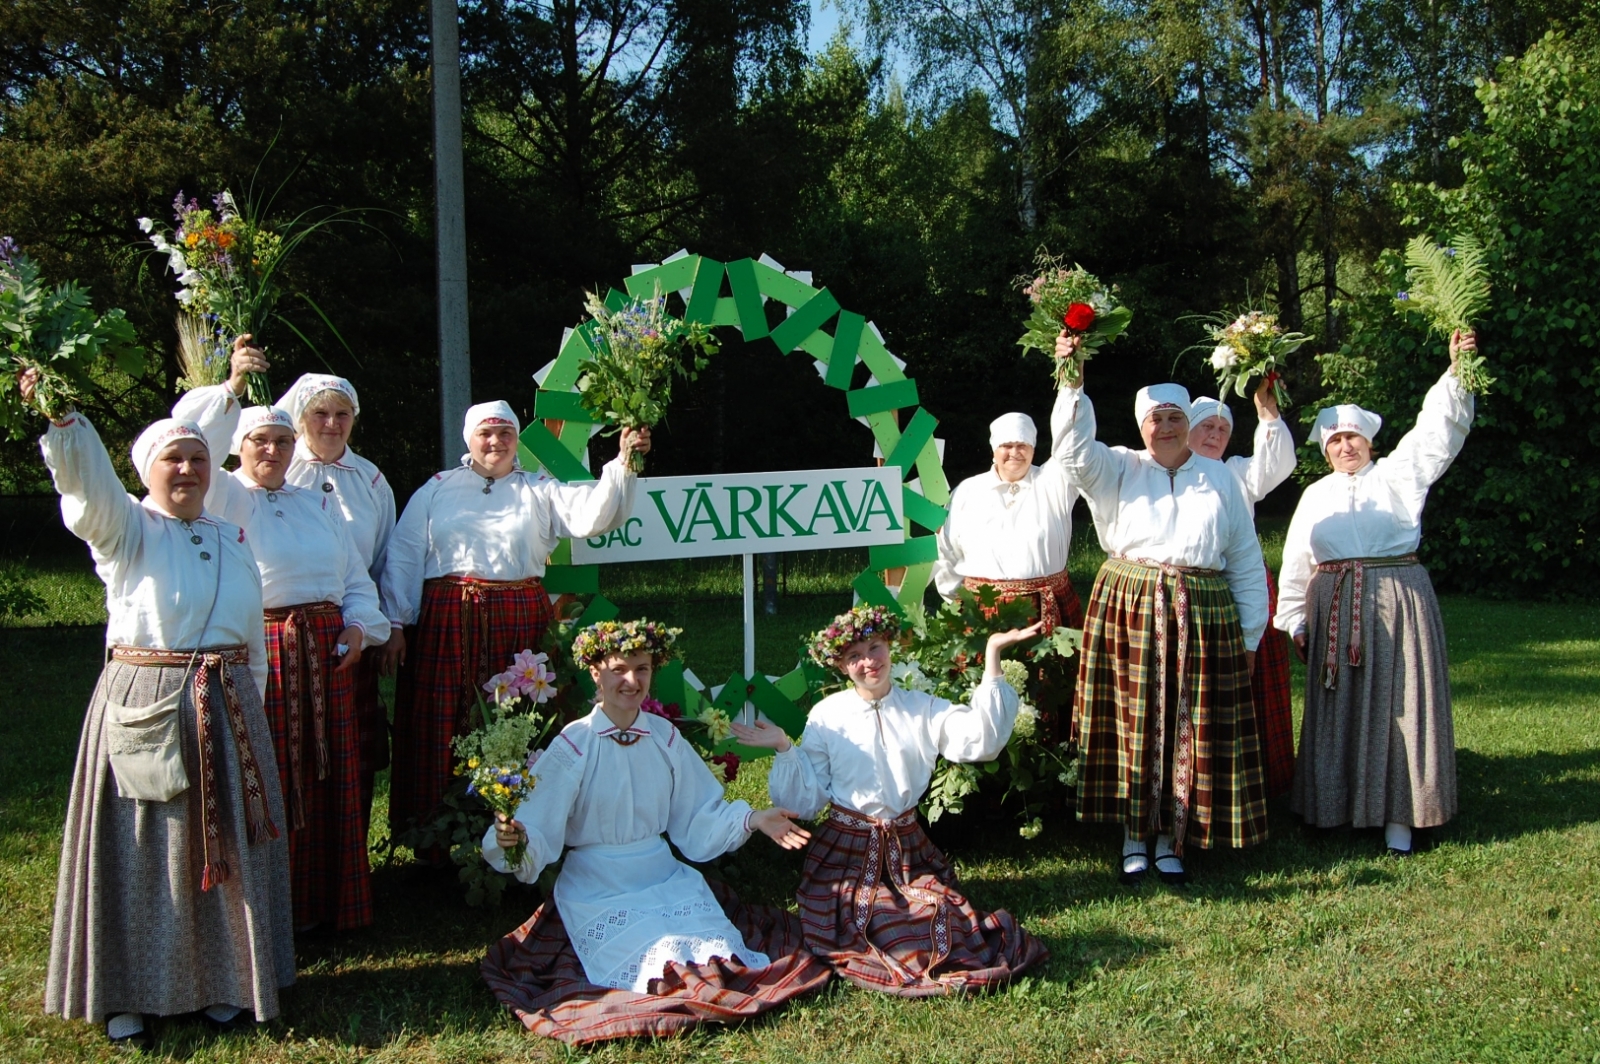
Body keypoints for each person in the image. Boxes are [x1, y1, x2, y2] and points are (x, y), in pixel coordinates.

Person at [32, 372, 293, 1048]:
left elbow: (248, 630)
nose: (187, 469)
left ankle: (224, 983)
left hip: (229, 703)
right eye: (172, 460)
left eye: (198, 458)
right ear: (148, 472)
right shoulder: (126, 528)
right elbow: (85, 493)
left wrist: (252, 709)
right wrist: (65, 425)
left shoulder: (232, 537)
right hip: (150, 704)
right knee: (144, 851)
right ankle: (127, 994)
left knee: (225, 846)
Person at [479, 619, 831, 1044]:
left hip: (659, 871)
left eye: (642, 669)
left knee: (708, 949)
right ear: (595, 672)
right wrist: (515, 839)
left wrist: (752, 818)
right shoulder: (574, 744)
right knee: (651, 953)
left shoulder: (664, 736)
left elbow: (697, 811)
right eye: (619, 669)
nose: (631, 680)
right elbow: (539, 820)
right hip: (597, 882)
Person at [174, 342, 391, 932]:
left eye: (281, 443)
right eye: (259, 443)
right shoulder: (223, 494)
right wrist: (231, 390)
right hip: (263, 648)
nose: (272, 451)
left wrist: (359, 627)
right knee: (271, 775)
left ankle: (333, 905)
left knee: (333, 775)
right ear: (239, 449)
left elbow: (353, 575)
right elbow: (192, 440)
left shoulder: (315, 503)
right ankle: (271, 913)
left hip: (327, 648)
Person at [734, 605, 1050, 996]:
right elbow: (807, 800)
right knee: (869, 925)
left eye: (875, 647)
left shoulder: (923, 708)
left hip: (908, 852)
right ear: (840, 666)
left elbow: (980, 740)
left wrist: (992, 657)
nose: (868, 662)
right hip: (843, 855)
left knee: (939, 916)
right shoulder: (827, 716)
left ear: (889, 646)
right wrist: (785, 747)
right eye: (854, 656)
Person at [1051, 334, 1270, 885]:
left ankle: (1174, 836)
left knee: (1188, 718)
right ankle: (1133, 831)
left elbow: (1244, 558)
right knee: (1134, 717)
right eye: (1155, 419)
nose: (1166, 428)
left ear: (1188, 421)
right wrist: (1071, 380)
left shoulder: (1220, 478)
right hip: (1130, 604)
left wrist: (1250, 634)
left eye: (1174, 417)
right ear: (1141, 424)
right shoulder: (1117, 467)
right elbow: (1072, 451)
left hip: (1203, 608)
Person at [380, 404, 645, 847]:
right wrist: (395, 621)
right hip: (447, 621)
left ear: (516, 439)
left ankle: (519, 833)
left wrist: (622, 463)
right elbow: (405, 554)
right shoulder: (438, 489)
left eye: (505, 432)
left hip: (516, 620)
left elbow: (592, 514)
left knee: (520, 720)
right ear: (469, 439)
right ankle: (434, 837)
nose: (496, 441)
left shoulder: (537, 488)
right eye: (486, 432)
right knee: (443, 724)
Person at [1273, 330, 1478, 856]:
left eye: (1353, 438)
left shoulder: (1399, 476)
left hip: (1397, 599)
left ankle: (1400, 818)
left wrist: (1456, 371)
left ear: (1370, 442)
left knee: (1400, 703)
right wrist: (1296, 620)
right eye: (1335, 440)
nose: (1345, 446)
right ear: (1324, 448)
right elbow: (1298, 560)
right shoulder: (1315, 496)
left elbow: (1438, 433)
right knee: (1339, 707)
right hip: (1334, 604)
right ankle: (1334, 807)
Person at [274, 368, 397, 824]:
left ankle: (350, 855)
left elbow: (385, 556)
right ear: (301, 418)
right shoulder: (281, 470)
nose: (331, 423)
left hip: (356, 627)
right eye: (320, 413)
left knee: (352, 751)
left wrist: (386, 626)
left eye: (342, 414)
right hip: (291, 627)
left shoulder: (370, 480)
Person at [1187, 383, 1298, 798]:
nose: (1215, 434)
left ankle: (1257, 778)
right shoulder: (1166, 471)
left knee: (1251, 685)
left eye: (1222, 428)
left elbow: (1274, 465)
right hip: (1194, 589)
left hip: (1244, 587)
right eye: (1206, 427)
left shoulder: (1235, 472)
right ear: (1186, 430)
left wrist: (1267, 413)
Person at [933, 411, 1083, 632]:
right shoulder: (967, 491)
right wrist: (957, 601)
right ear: (994, 450)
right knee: (985, 667)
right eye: (1007, 445)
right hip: (982, 612)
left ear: (1033, 448)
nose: (1015, 452)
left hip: (1045, 612)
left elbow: (1074, 443)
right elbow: (946, 550)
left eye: (1022, 445)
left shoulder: (1054, 483)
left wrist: (1072, 389)